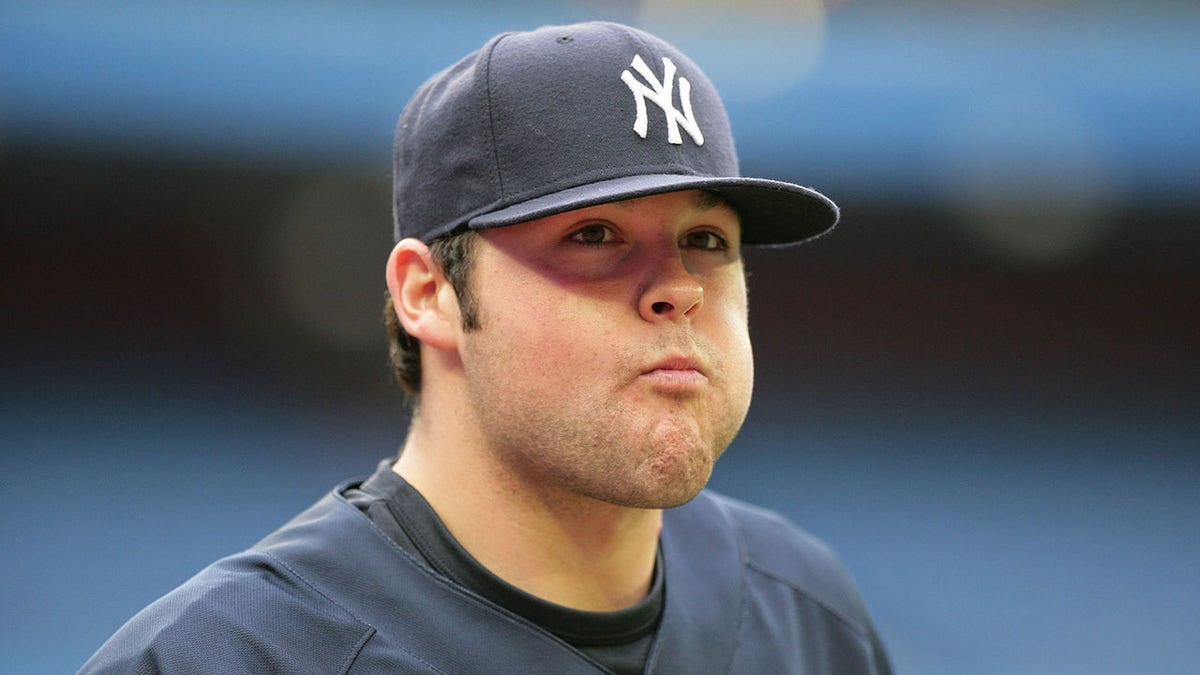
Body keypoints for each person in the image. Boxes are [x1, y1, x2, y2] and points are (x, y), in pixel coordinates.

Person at [82, 20, 891, 674]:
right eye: (595, 233)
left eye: (707, 237)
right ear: (427, 293)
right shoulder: (227, 655)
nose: (677, 285)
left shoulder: (807, 612)